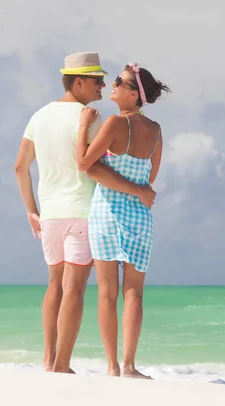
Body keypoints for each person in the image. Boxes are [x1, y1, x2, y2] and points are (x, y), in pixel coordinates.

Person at [14, 52, 156, 374]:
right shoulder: (90, 118)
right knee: (74, 289)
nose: (104, 85)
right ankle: (62, 365)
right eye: (97, 80)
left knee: (54, 286)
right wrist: (138, 190)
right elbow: (96, 167)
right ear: (78, 82)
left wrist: (31, 211)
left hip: (49, 213)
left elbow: (20, 166)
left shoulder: (39, 116)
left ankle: (49, 359)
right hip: (82, 211)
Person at [76, 63, 170, 378]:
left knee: (106, 292)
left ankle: (112, 366)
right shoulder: (156, 130)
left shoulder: (115, 123)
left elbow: (85, 164)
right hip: (141, 216)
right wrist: (137, 189)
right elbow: (151, 177)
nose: (112, 84)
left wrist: (81, 128)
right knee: (134, 293)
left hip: (108, 212)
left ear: (133, 94)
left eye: (120, 81)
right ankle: (130, 365)